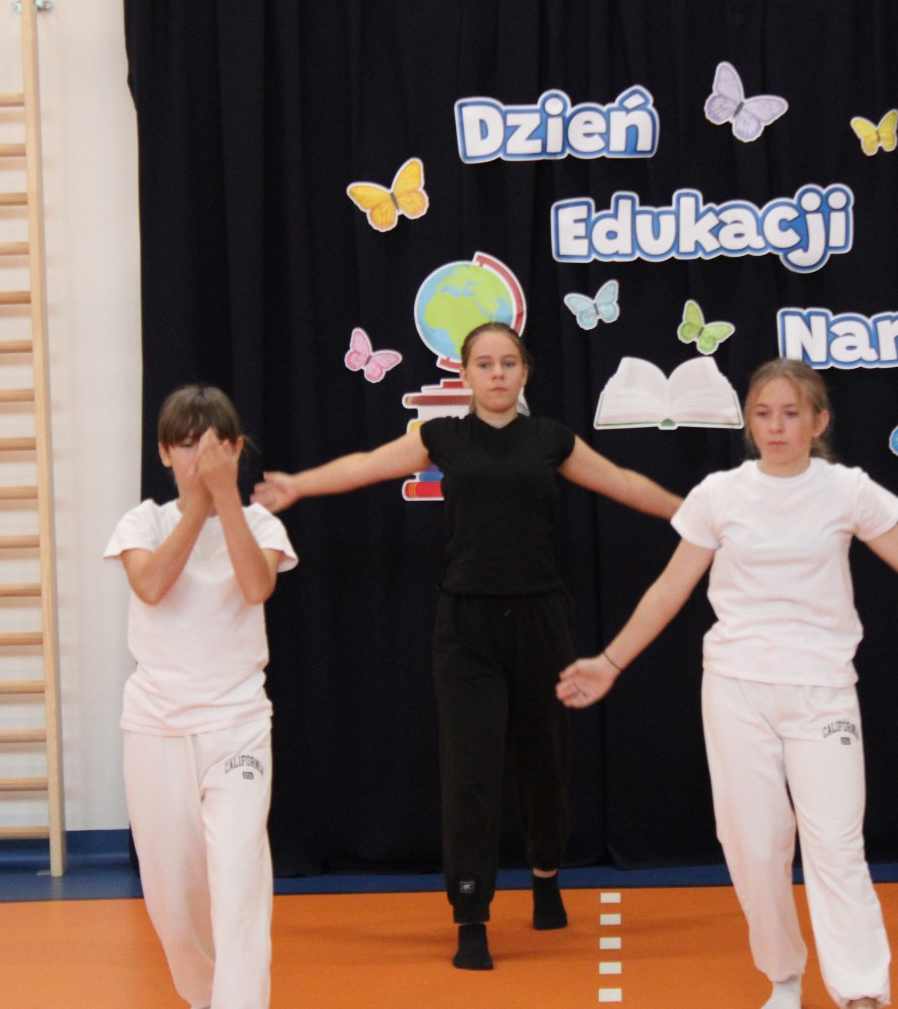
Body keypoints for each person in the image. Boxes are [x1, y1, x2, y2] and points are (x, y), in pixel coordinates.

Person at [557, 358, 898, 1009]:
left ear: (818, 421)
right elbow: (668, 590)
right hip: (736, 688)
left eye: (790, 414)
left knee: (835, 843)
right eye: (763, 414)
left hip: (823, 689)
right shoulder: (719, 494)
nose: (776, 427)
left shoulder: (847, 490)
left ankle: (862, 991)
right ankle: (783, 976)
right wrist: (609, 661)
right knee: (753, 847)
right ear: (749, 423)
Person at [254, 322, 681, 970]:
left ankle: (545, 876)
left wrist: (692, 512)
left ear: (524, 372)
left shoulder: (550, 439)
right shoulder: (441, 436)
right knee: (470, 771)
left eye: (508, 362)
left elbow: (622, 481)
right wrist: (298, 485)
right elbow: (365, 466)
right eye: (485, 363)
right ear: (465, 374)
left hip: (540, 619)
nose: (498, 373)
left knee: (544, 762)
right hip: (466, 626)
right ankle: (472, 915)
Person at [104, 384, 298, 1009]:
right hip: (156, 727)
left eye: (213, 447)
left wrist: (225, 500)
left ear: (237, 450)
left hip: (237, 724)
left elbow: (256, 586)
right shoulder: (143, 522)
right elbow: (152, 585)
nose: (198, 458)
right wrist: (199, 503)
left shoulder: (260, 524)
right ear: (165, 453)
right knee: (173, 900)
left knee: (240, 881)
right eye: (185, 446)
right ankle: (206, 997)